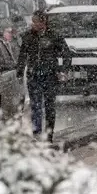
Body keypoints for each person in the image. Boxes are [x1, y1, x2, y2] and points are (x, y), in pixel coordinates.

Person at [16, 10, 71, 142]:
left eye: (35, 22)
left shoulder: (54, 36)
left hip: (50, 76)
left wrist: (63, 70)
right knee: (35, 105)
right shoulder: (28, 37)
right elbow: (23, 55)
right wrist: (19, 72)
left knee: (49, 106)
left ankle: (49, 134)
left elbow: (66, 54)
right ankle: (37, 133)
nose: (33, 24)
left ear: (43, 22)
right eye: (32, 22)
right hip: (33, 75)